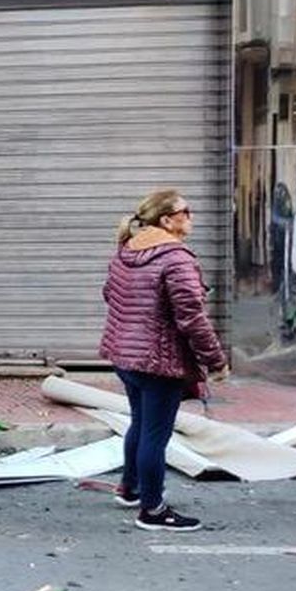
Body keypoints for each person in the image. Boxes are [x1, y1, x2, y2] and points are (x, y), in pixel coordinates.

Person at [100, 189, 228, 532]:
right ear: (167, 220)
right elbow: (192, 318)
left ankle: (131, 488)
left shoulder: (128, 249)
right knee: (155, 435)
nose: (192, 216)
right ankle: (152, 511)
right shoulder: (176, 259)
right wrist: (215, 361)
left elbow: (109, 294)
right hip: (159, 361)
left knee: (140, 424)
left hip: (126, 357)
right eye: (186, 211)